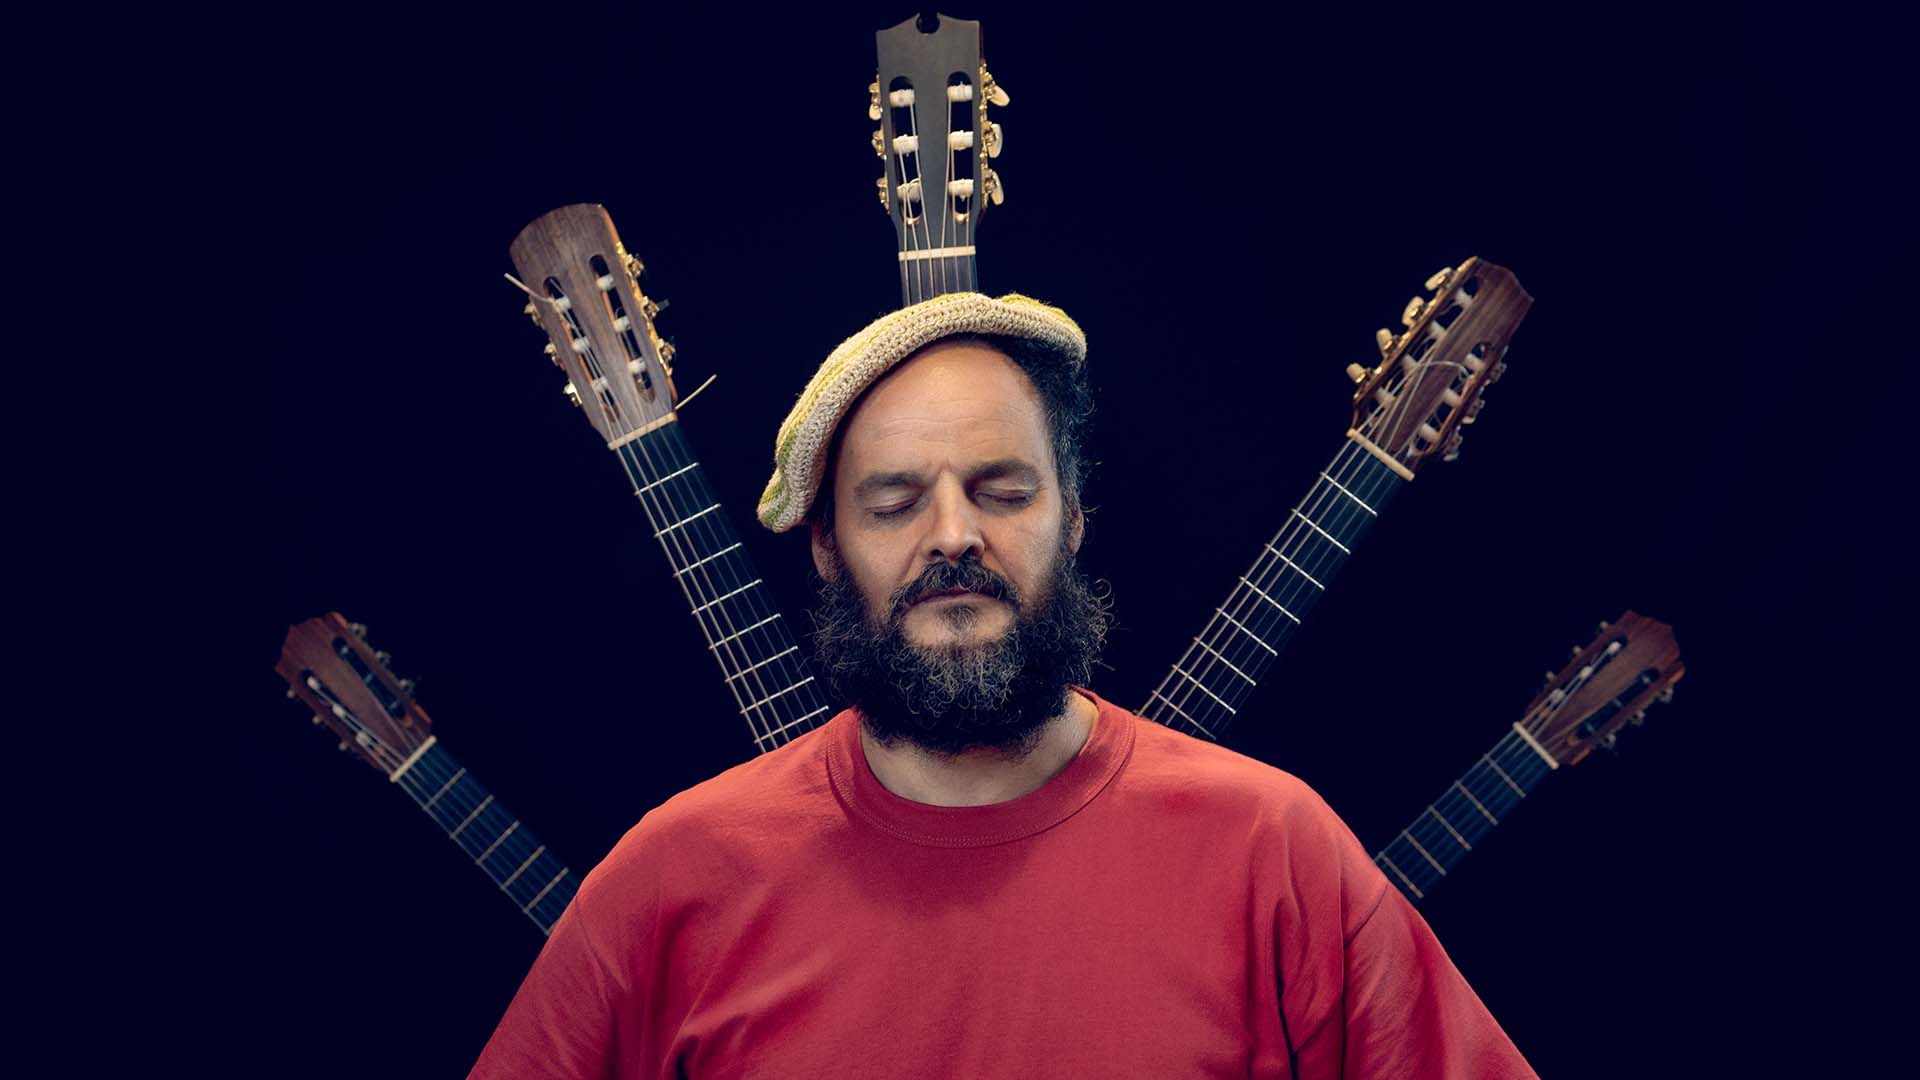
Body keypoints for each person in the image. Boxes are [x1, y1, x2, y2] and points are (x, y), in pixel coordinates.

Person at [470, 292, 1535, 1078]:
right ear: (828, 547)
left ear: (1073, 522)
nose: (952, 535)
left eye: (1004, 491)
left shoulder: (1276, 849)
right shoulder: (670, 876)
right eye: (893, 503)